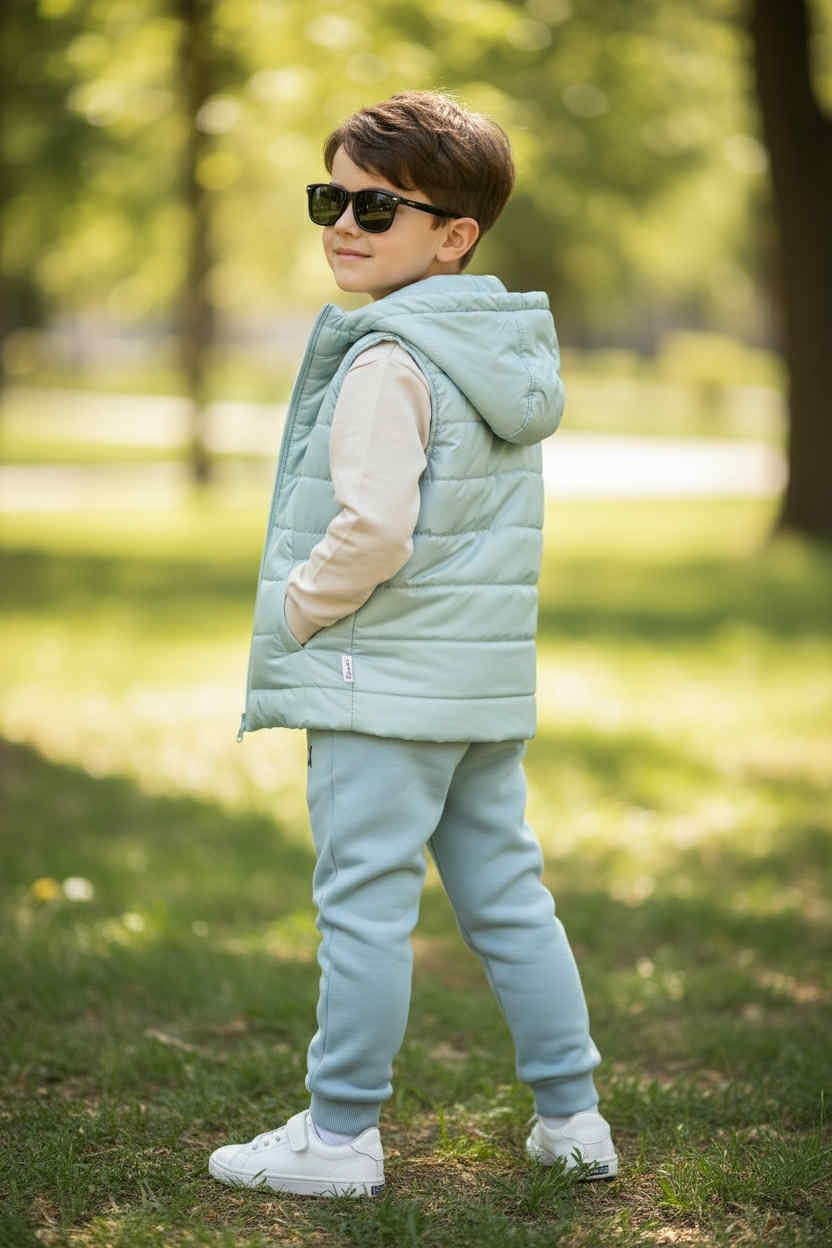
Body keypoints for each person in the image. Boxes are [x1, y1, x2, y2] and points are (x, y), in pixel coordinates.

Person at [208, 89, 618, 1199]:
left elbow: (376, 529)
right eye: (331, 199)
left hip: (377, 684)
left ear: (452, 236)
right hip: (474, 688)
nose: (345, 223)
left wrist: (301, 607)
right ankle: (573, 1120)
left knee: (364, 909)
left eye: (376, 207)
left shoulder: (387, 358)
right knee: (510, 900)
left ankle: (339, 1137)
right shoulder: (492, 350)